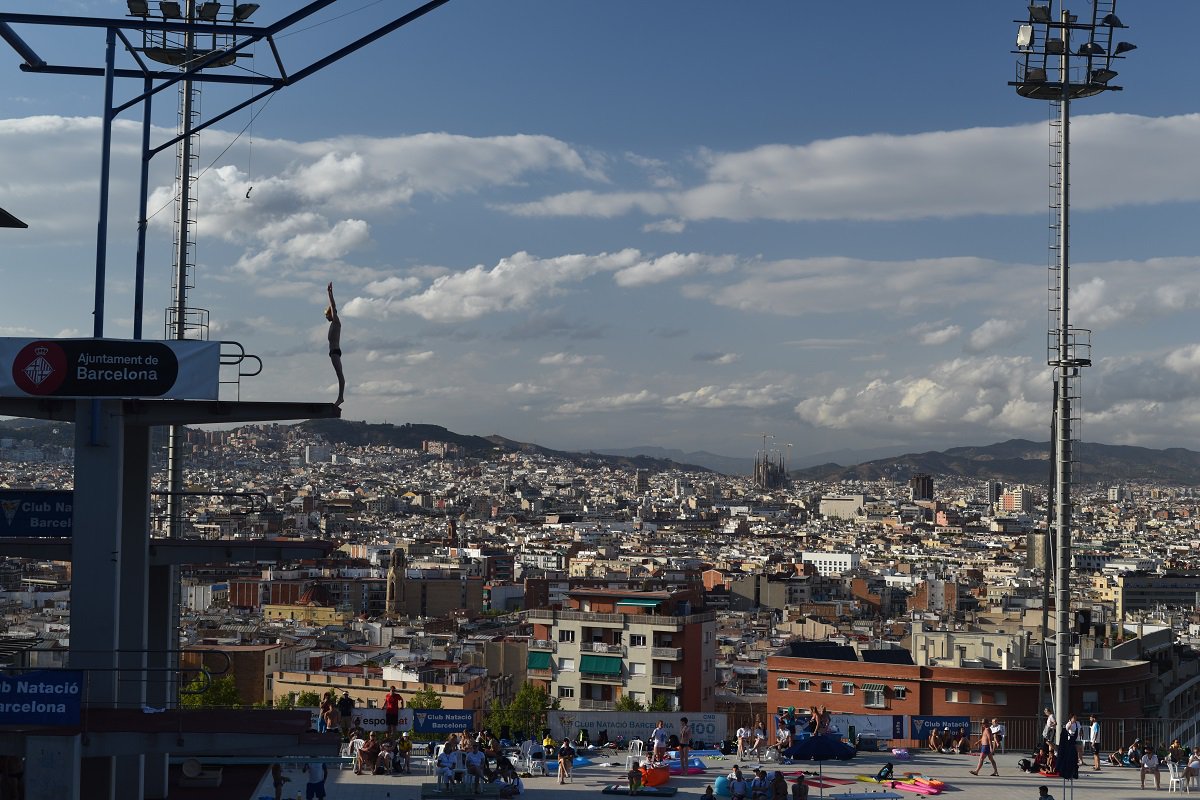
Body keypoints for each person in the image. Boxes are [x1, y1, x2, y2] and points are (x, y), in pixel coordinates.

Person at [325, 281, 345, 406]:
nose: (326, 318)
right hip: (333, 352)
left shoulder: (336, 321)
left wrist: (329, 293)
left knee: (339, 375)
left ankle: (340, 397)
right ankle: (340, 397)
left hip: (335, 351)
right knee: (338, 374)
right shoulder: (333, 324)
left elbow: (332, 305)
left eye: (327, 315)